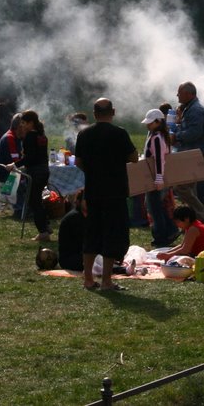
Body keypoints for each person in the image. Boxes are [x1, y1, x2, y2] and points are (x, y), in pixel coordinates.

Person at [74, 98, 137, 292]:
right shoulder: (119, 133)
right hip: (115, 191)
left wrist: (93, 172)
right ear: (113, 112)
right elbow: (134, 157)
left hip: (93, 190)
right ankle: (107, 282)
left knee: (92, 233)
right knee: (113, 235)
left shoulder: (84, 134)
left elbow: (78, 161)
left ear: (94, 114)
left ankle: (88, 279)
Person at [7, 110, 52, 242]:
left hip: (35, 172)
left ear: (30, 123)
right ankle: (46, 226)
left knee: (34, 202)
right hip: (44, 170)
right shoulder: (41, 135)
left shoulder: (30, 136)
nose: (22, 126)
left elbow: (29, 158)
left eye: (24, 123)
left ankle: (43, 232)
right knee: (38, 200)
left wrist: (14, 165)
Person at [140, 108, 180, 248]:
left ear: (158, 122)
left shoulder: (157, 137)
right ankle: (170, 231)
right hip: (160, 177)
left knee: (154, 208)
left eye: (150, 123)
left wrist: (158, 178)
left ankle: (161, 237)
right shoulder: (160, 135)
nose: (148, 125)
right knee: (159, 207)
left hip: (157, 178)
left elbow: (159, 159)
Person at [171, 81, 204, 222]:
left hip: (194, 154)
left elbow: (195, 132)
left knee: (181, 187)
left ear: (189, 94)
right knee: (189, 188)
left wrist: (176, 136)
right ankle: (195, 219)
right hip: (192, 153)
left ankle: (201, 215)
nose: (177, 95)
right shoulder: (190, 108)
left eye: (179, 93)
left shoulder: (195, 110)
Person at [0, 113, 26, 217]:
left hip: (13, 172)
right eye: (25, 126)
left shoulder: (17, 138)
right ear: (19, 127)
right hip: (8, 175)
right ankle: (20, 210)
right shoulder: (10, 138)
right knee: (29, 180)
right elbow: (16, 162)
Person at [57, 191, 87, 272]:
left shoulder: (87, 216)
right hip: (70, 259)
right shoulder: (74, 217)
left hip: (81, 255)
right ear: (78, 201)